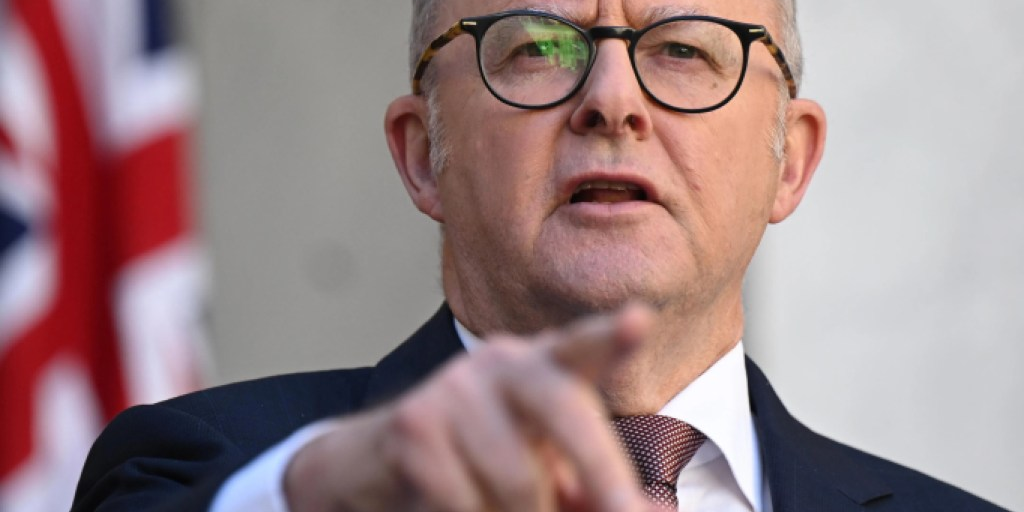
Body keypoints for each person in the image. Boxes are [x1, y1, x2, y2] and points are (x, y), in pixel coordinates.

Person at [72, 0, 1008, 511]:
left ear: (789, 161)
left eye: (683, 51)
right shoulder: (210, 468)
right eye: (535, 48)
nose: (613, 101)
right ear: (423, 155)